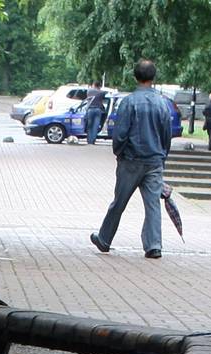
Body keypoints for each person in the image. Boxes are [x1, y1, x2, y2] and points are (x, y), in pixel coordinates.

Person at [89, 59, 175, 259]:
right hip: (154, 161)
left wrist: (119, 153)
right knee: (153, 204)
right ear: (153, 78)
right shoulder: (162, 103)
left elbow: (120, 134)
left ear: (135, 77)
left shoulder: (128, 102)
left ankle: (104, 238)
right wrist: (162, 157)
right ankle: (154, 245)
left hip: (131, 160)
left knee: (119, 201)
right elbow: (166, 135)